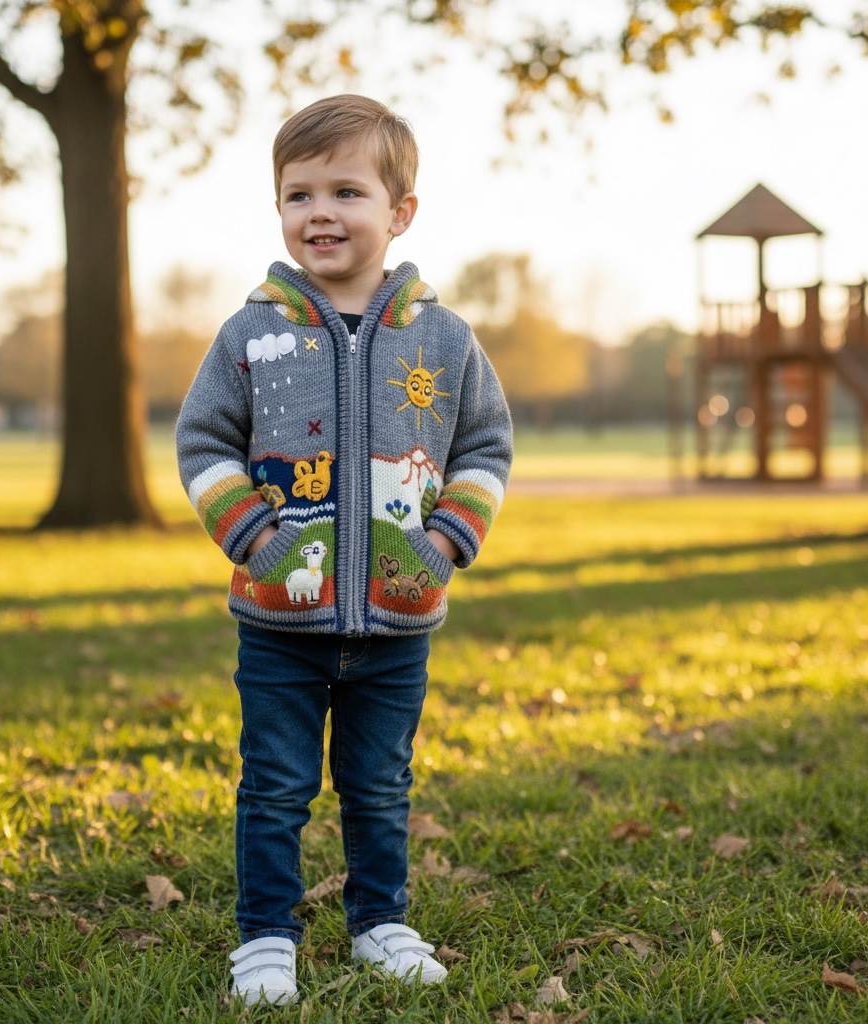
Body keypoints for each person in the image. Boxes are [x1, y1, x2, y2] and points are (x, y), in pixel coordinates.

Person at [176, 94, 513, 1007]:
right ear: (279, 209)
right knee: (275, 784)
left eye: (346, 192)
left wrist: (446, 538)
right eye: (299, 195)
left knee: (378, 785)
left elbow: (485, 444)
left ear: (400, 212)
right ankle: (266, 935)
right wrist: (255, 538)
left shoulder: (443, 339)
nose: (319, 212)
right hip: (279, 621)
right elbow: (203, 442)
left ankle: (379, 921)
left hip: (400, 619)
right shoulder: (254, 334)